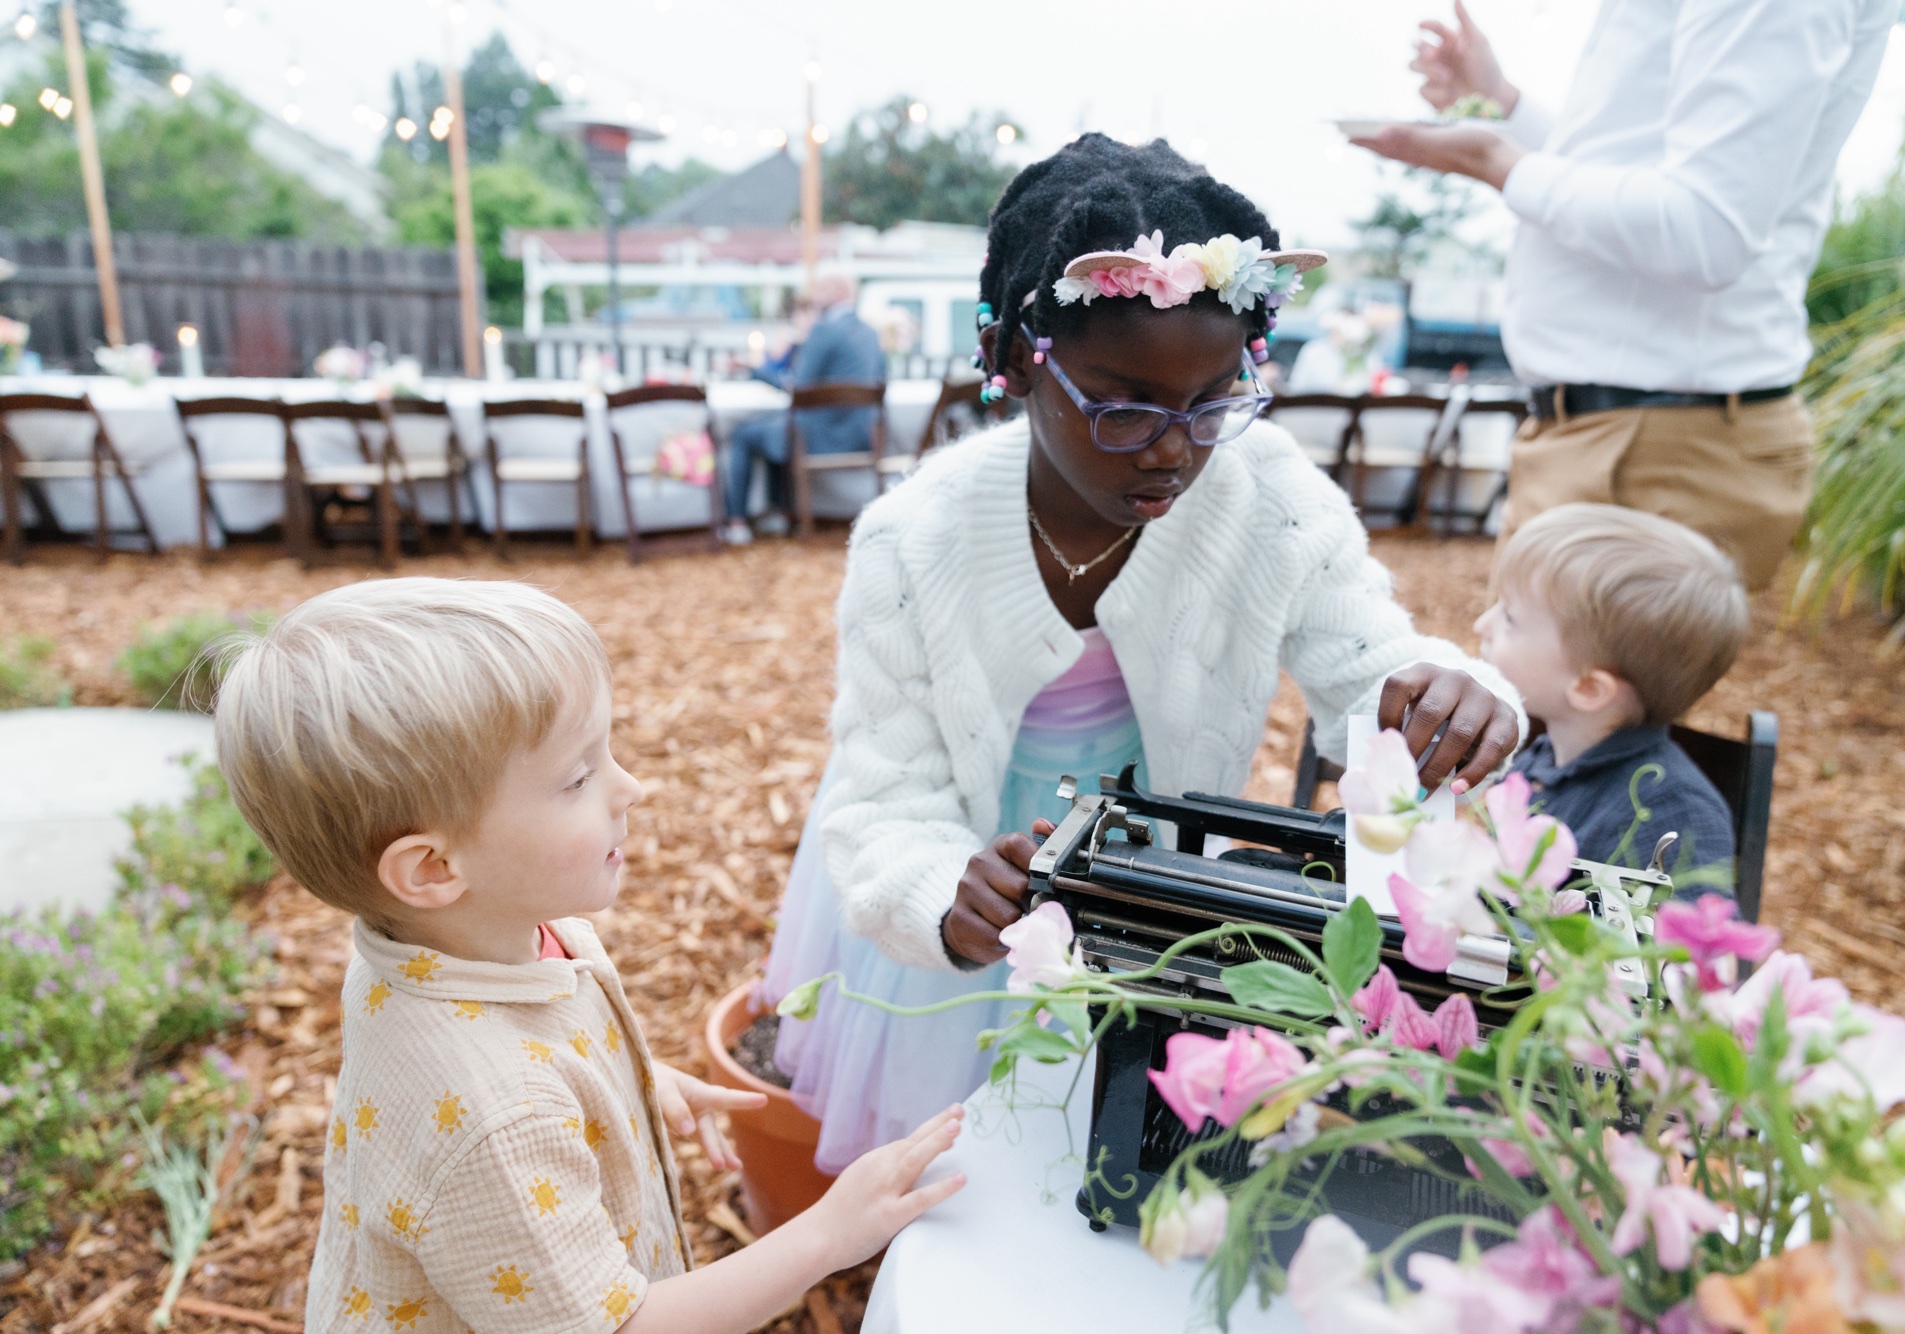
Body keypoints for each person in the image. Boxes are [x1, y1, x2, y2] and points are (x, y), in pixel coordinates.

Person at [761, 135, 1525, 1174]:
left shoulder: (1265, 495)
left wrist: (1454, 693)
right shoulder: (914, 540)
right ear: (1019, 368)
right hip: (967, 867)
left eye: (1212, 402)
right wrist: (946, 891)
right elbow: (884, 792)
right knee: (954, 1162)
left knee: (1109, 1142)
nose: (1174, 446)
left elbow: (1370, 669)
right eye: (1123, 408)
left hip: (1147, 884)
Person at [211, 578, 965, 1334]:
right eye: (577, 777)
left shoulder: (442, 943)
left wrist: (629, 1080)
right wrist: (829, 1233)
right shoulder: (498, 1120)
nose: (629, 787)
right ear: (432, 870)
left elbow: (520, 1055)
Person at [1352, 0, 1899, 591]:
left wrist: (1499, 162)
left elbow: (1705, 230)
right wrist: (1503, 105)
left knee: (1543, 684)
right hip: (1634, 434)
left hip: (1651, 447)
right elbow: (1639, 163)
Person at [1475, 503, 1747, 885]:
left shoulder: (1673, 818)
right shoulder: (1543, 758)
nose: (1481, 624)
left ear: (1588, 688)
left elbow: (1693, 943)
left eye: (1510, 617)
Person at [723, 273, 886, 545]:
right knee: (772, 426)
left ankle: (737, 521)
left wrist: (753, 370)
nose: (813, 295)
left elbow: (797, 387)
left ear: (837, 292)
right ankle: (779, 512)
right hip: (862, 434)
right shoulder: (869, 332)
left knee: (744, 433)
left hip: (817, 438)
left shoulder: (824, 330)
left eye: (820, 288)